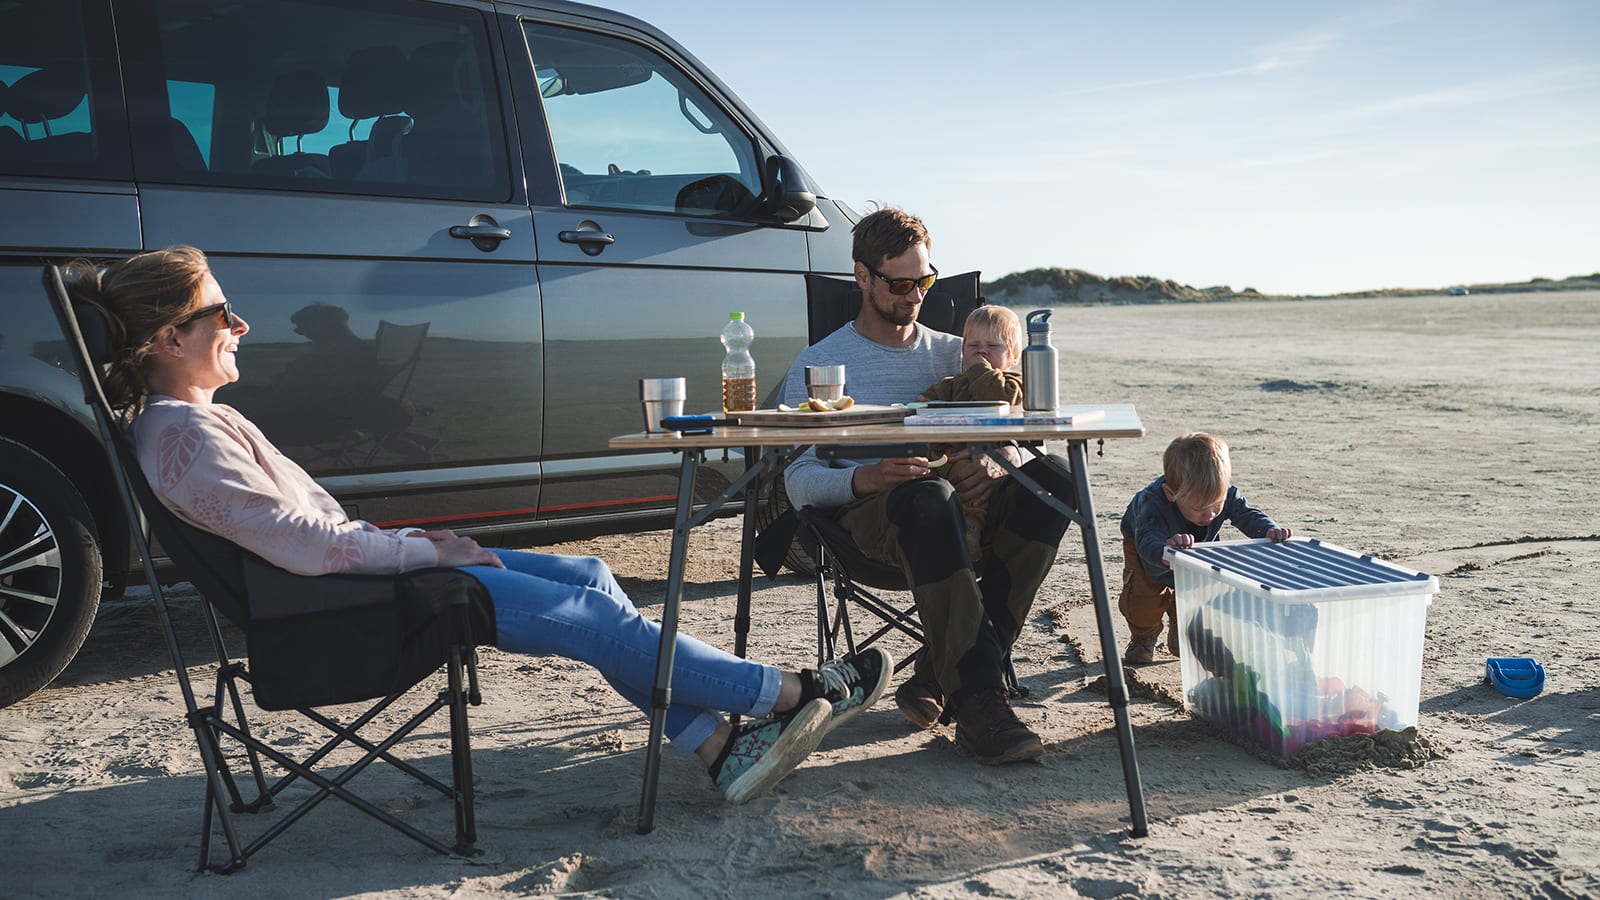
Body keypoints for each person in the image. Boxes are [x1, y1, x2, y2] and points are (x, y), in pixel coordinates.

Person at [67, 245, 892, 806]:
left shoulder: (193, 421)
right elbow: (309, 547)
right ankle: (789, 692)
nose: (240, 325)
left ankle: (718, 748)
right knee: (590, 616)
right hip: (345, 614)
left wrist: (421, 547)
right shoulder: (181, 437)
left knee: (594, 581)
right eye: (222, 312)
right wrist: (423, 549)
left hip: (360, 584)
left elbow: (311, 531)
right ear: (174, 336)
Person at [778, 208, 1076, 766]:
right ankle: (982, 703)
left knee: (1053, 480)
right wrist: (867, 477)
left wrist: (998, 463)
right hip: (872, 520)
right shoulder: (819, 365)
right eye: (900, 283)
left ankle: (942, 674)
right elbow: (797, 482)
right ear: (862, 277)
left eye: (926, 280)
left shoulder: (957, 351)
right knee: (928, 498)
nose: (915, 295)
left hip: (968, 512)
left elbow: (1017, 419)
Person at [1119, 432, 1294, 665]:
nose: (1210, 515)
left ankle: (1180, 630)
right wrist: (1164, 550)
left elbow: (1247, 514)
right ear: (1171, 494)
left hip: (1194, 550)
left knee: (1194, 596)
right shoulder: (1152, 504)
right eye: (1200, 508)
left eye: (1217, 506)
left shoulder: (1224, 494)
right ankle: (1143, 637)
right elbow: (1146, 540)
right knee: (1144, 599)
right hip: (1147, 551)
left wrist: (1269, 531)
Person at [918, 305, 1026, 559]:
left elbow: (999, 397)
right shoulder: (954, 384)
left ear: (1013, 354)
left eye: (992, 345)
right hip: (942, 457)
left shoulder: (1015, 382)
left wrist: (979, 369)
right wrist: (925, 401)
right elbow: (928, 400)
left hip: (984, 460)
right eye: (973, 345)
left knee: (971, 485)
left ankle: (970, 530)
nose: (981, 351)